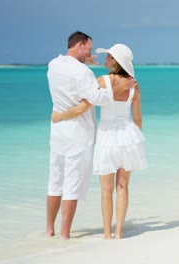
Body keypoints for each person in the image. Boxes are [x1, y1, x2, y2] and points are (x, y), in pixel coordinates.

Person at [51, 43, 147, 239]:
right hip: (128, 137)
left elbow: (83, 107)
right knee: (123, 187)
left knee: (106, 189)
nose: (105, 58)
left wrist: (59, 117)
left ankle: (107, 234)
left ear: (115, 61)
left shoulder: (102, 82)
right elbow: (137, 119)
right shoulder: (134, 86)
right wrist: (133, 140)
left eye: (109, 56)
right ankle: (119, 232)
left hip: (107, 138)